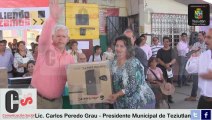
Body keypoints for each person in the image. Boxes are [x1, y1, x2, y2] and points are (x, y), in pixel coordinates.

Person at [30, 0, 75, 109]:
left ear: (67, 39)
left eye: (64, 36)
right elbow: (44, 37)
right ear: (53, 37)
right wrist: (52, 19)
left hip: (57, 103)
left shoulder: (70, 59)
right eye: (58, 36)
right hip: (37, 100)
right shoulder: (45, 49)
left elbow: (74, 80)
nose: (61, 39)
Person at [108, 35, 155, 109]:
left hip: (141, 102)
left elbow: (133, 86)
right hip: (122, 103)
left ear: (128, 48)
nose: (118, 49)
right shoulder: (113, 63)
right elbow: (109, 80)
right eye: (117, 46)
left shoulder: (133, 63)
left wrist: (116, 95)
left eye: (122, 46)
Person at [186, 28, 212, 109]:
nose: (206, 40)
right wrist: (194, 57)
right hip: (204, 100)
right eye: (206, 37)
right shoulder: (204, 55)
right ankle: (193, 95)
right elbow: (190, 69)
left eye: (209, 37)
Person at [184, 31, 207, 101]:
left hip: (205, 66)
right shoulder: (196, 44)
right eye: (198, 36)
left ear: (204, 36)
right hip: (196, 66)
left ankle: (207, 97)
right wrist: (192, 52)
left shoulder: (207, 44)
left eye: (200, 36)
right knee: (195, 81)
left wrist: (200, 54)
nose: (198, 37)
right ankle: (193, 96)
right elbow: (190, 53)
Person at [157, 36, 176, 103]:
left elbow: (174, 59)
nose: (166, 43)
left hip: (169, 69)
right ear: (163, 42)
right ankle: (163, 98)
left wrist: (169, 64)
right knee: (163, 82)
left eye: (167, 42)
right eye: (164, 41)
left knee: (170, 82)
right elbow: (159, 60)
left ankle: (169, 97)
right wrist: (165, 65)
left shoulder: (172, 50)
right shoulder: (160, 51)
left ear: (169, 42)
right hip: (161, 69)